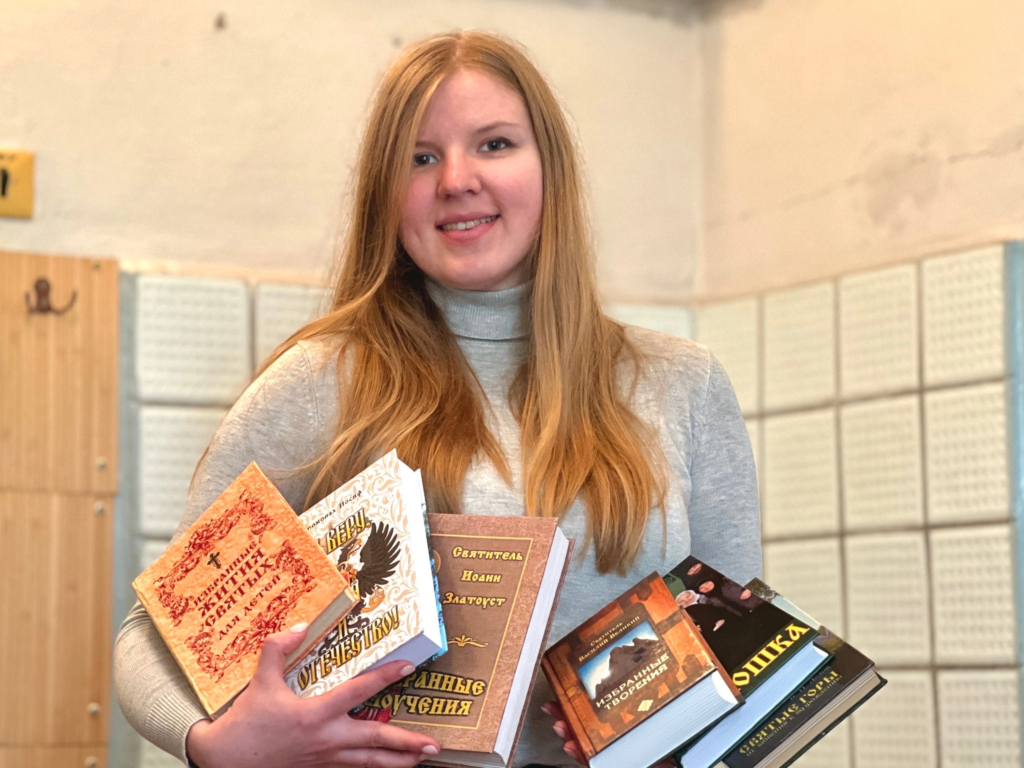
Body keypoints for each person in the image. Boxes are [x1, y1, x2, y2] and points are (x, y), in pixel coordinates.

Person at [113, 30, 761, 768]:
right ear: (384, 195)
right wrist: (217, 746)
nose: (456, 179)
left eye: (494, 144)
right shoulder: (318, 383)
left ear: (551, 168)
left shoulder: (683, 384)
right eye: (419, 158)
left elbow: (740, 642)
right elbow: (151, 638)